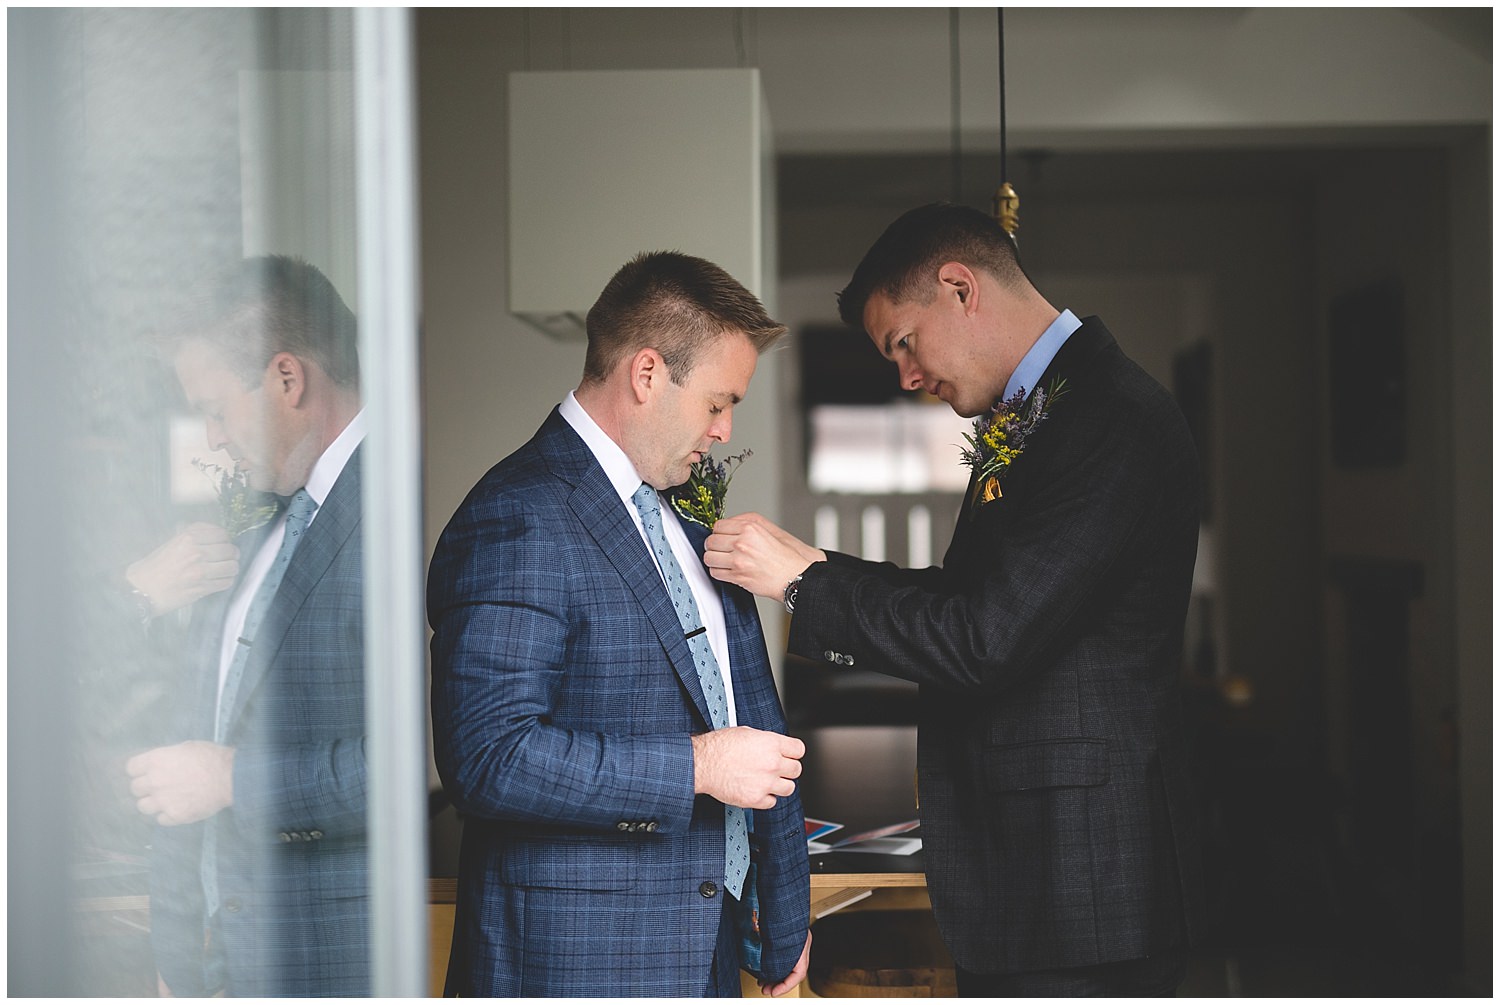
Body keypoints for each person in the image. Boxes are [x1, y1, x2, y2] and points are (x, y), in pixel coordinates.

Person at [704, 203, 1206, 996]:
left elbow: (985, 636)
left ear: (959, 288)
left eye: (904, 342)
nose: (905, 377)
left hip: (1085, 889)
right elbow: (975, 596)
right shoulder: (1046, 408)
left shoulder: (1109, 416)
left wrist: (805, 587)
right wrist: (816, 564)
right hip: (1041, 880)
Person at [428, 250, 812, 997]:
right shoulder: (516, 514)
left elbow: (745, 704)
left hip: (709, 942)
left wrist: (783, 916)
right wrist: (698, 766)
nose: (726, 429)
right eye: (716, 402)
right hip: (577, 962)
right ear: (646, 374)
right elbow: (487, 757)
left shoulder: (674, 502)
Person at [125, 255, 370, 996]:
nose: (213, 438)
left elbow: (420, 758)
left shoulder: (399, 509)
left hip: (323, 961)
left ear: (287, 379)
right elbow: (203, 714)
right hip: (216, 959)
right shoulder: (264, 513)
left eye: (216, 407)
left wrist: (234, 778)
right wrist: (180, 958)